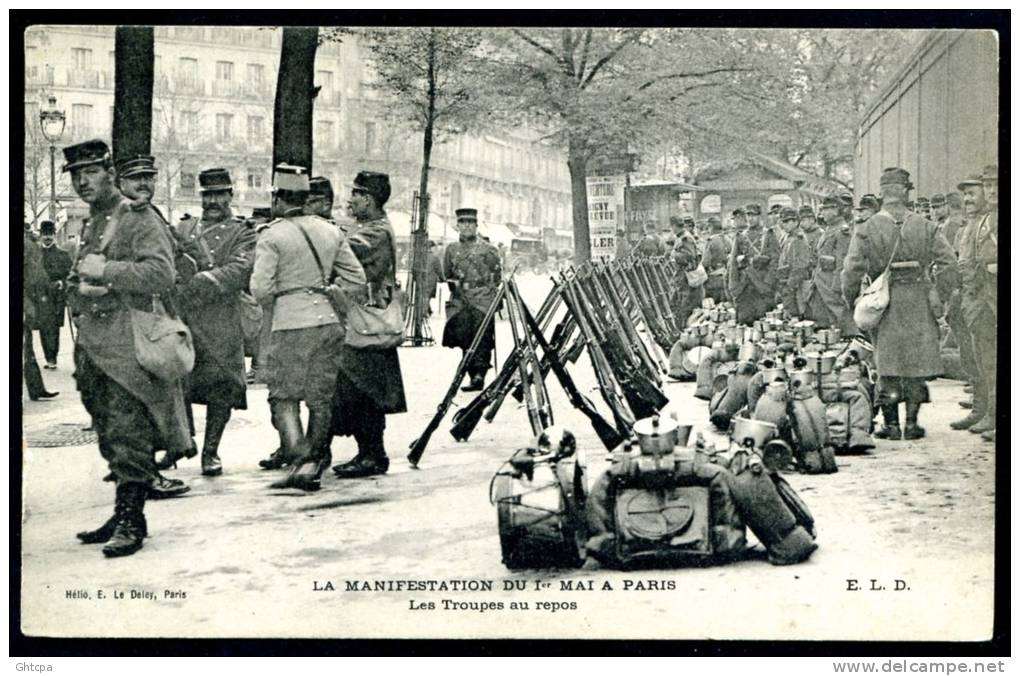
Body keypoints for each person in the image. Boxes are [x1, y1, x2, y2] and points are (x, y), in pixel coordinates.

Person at [63, 139, 192, 557]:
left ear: (109, 172)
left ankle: (133, 519)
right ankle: (121, 510)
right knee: (106, 428)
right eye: (76, 175)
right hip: (96, 345)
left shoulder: (138, 217)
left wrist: (107, 272)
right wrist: (78, 286)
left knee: (128, 430)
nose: (83, 182)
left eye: (91, 172)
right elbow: (88, 275)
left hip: (127, 343)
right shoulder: (94, 220)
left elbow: (161, 274)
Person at [251, 164, 366, 491]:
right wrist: (328, 291)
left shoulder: (272, 235)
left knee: (283, 396)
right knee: (320, 397)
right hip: (328, 323)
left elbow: (260, 289)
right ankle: (314, 461)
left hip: (290, 325)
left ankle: (300, 460)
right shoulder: (331, 231)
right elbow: (357, 280)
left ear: (278, 198)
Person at [842, 167, 956, 441]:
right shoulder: (926, 226)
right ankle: (913, 424)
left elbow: (850, 271)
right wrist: (939, 292)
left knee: (888, 362)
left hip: (884, 302)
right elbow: (949, 264)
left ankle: (891, 426)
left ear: (883, 193)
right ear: (906, 193)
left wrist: (853, 301)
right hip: (918, 299)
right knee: (915, 363)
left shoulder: (867, 228)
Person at [169, 168, 256, 477]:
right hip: (186, 319)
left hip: (222, 324)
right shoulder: (185, 228)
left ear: (231, 196)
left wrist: (202, 280)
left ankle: (211, 452)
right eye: (208, 195)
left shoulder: (242, 232)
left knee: (221, 391)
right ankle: (181, 442)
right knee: (179, 382)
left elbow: (240, 270)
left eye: (220, 194)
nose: (213, 201)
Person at [330, 171, 408, 479]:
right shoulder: (369, 227)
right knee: (361, 390)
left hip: (368, 321)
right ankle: (368, 453)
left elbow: (346, 253)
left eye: (356, 194)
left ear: (369, 200)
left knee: (367, 393)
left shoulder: (375, 233)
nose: (350, 200)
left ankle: (373, 454)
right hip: (364, 320)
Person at [954, 166, 998, 441]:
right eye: (989, 187)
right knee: (983, 361)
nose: (992, 192)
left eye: (974, 193)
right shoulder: (980, 222)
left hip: (991, 299)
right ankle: (985, 411)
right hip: (979, 301)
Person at [440, 206, 502, 393]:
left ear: (476, 226)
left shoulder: (488, 249)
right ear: (457, 225)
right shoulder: (451, 249)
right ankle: (470, 371)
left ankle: (480, 375)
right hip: (461, 298)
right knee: (463, 335)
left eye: (470, 223)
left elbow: (497, 276)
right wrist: (457, 287)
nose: (466, 227)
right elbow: (447, 273)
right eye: (462, 223)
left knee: (482, 336)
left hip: (482, 298)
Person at [805, 196, 855, 333]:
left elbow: (842, 262)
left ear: (836, 210)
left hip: (831, 282)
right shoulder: (829, 229)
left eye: (826, 209)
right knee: (823, 320)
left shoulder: (842, 230)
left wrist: (838, 285)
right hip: (821, 281)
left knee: (841, 316)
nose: (822, 213)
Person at [23, 225, 59, 400]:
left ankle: (36, 389)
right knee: (26, 348)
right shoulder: (29, 246)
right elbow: (38, 277)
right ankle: (36, 389)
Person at [727, 205, 774, 324]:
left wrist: (769, 282)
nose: (751, 218)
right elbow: (732, 262)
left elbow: (776, 260)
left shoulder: (768, 234)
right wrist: (733, 284)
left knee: (763, 323)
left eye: (753, 215)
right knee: (743, 321)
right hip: (744, 285)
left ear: (759, 216)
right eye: (748, 215)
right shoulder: (740, 236)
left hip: (762, 286)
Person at [36, 220, 73, 369]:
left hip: (56, 298)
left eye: (50, 234)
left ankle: (52, 359)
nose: (47, 238)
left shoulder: (63, 255)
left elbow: (70, 275)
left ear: (54, 235)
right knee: (43, 328)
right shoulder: (35, 255)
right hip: (39, 296)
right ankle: (48, 357)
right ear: (40, 236)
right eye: (45, 234)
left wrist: (61, 283)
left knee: (52, 328)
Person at [668, 215, 702, 329]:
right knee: (677, 303)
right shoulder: (681, 237)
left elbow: (690, 256)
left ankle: (684, 329)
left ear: (674, 226)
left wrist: (674, 255)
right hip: (681, 277)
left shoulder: (685, 238)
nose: (671, 230)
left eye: (672, 227)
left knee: (684, 304)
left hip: (685, 277)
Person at [700, 215, 729, 304]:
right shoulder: (728, 239)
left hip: (713, 279)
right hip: (726, 276)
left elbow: (705, 262)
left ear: (711, 227)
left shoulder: (711, 241)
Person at [424, 240, 444, 316]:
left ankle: (428, 310)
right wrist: (443, 279)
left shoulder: (420, 258)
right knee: (427, 296)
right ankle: (425, 311)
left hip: (421, 280)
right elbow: (439, 270)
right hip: (430, 280)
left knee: (423, 295)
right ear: (431, 248)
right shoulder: (434, 258)